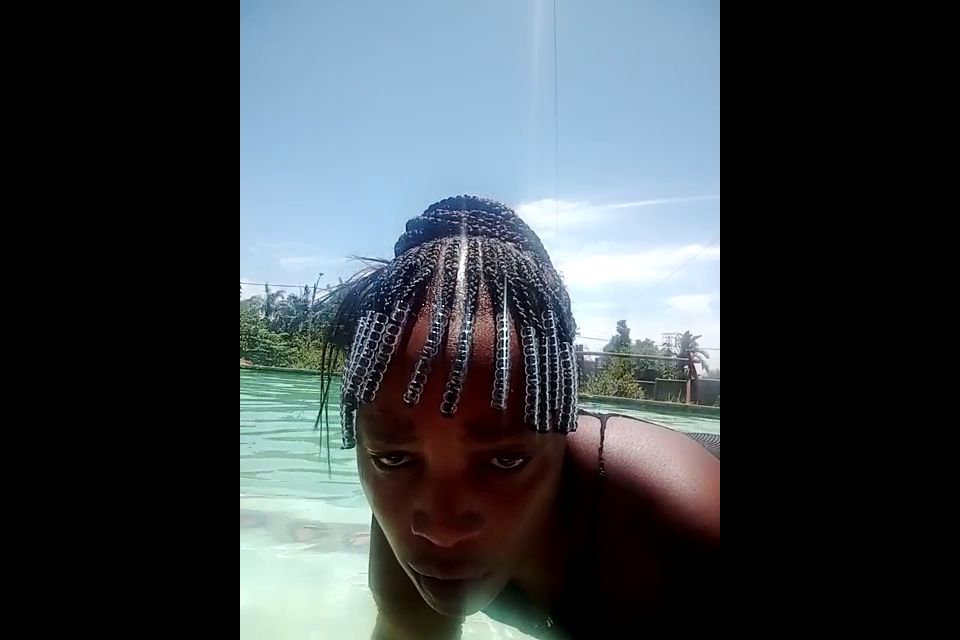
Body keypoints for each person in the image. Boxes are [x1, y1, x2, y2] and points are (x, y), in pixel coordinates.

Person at [320, 196, 719, 639]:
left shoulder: (678, 531)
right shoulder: (411, 504)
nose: (442, 530)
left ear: (565, 427)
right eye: (393, 458)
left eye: (504, 461)